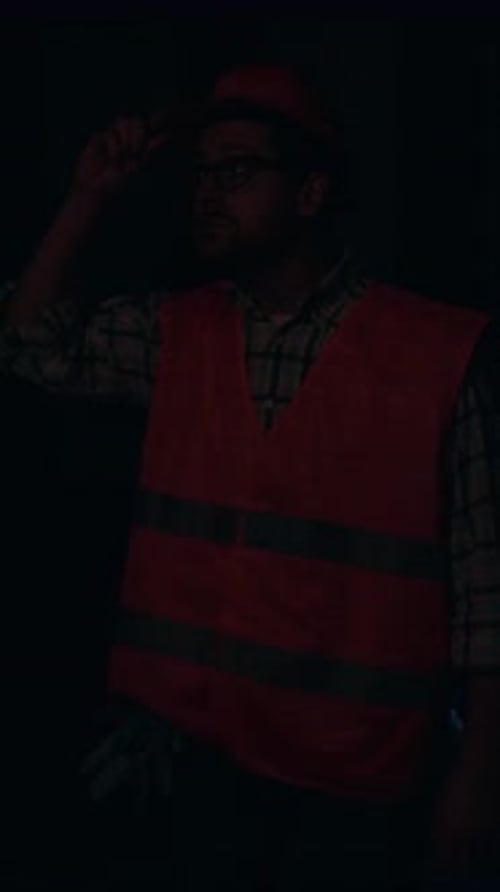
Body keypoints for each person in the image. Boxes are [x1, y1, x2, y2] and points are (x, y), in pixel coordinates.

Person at [1, 62, 500, 891]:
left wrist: (479, 779)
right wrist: (89, 196)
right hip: (192, 766)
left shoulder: (435, 355)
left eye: (238, 173)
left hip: (356, 790)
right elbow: (28, 348)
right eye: (202, 173)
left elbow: (489, 590)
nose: (208, 193)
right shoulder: (178, 332)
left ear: (309, 194)